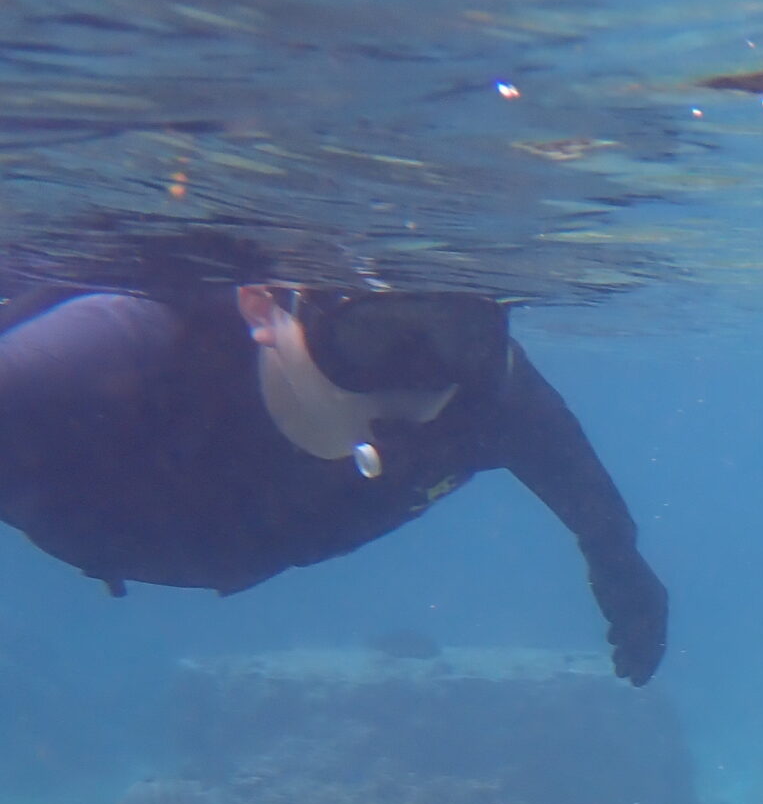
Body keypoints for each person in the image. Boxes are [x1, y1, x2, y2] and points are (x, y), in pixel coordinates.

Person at [0, 282, 667, 682]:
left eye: (459, 340)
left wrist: (615, 553)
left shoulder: (477, 399)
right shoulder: (116, 352)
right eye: (378, 336)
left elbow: (552, 442)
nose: (411, 388)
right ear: (263, 310)